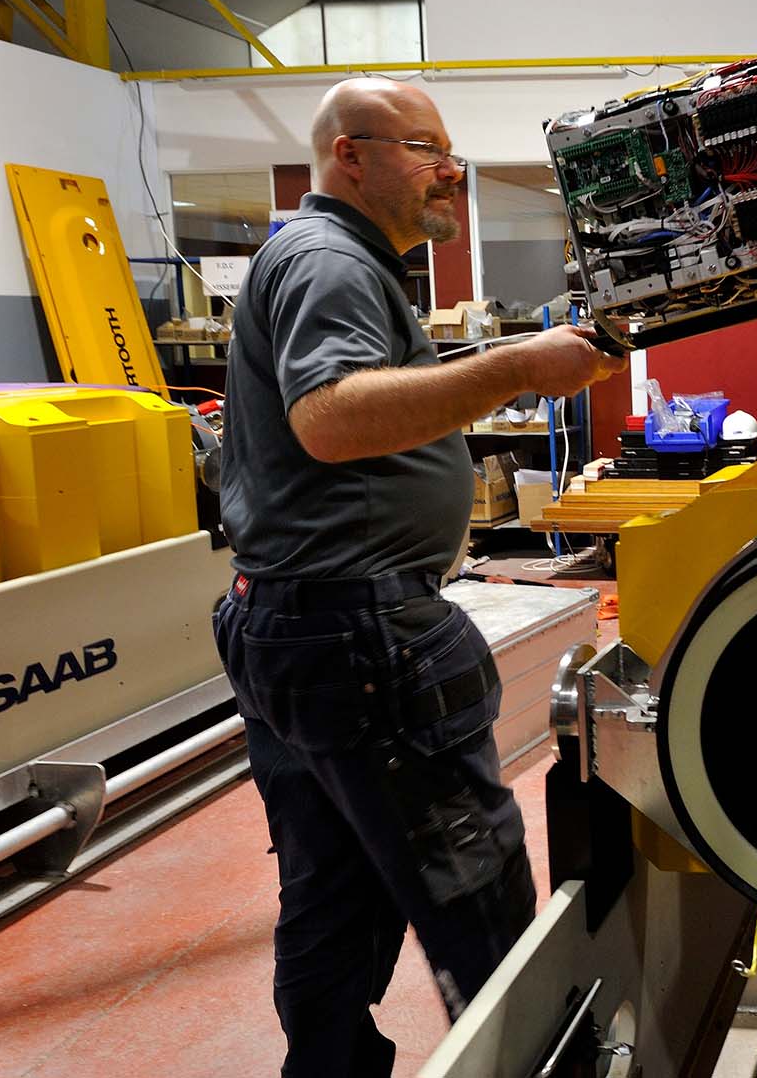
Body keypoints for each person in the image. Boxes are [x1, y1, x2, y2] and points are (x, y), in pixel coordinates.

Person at [213, 78, 621, 1076]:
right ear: (350, 155)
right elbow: (332, 415)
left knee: (333, 896)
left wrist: (504, 357)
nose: (449, 170)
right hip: (360, 638)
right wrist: (519, 369)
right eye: (423, 147)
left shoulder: (331, 261)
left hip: (296, 623)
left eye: (450, 151)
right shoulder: (329, 260)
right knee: (475, 898)